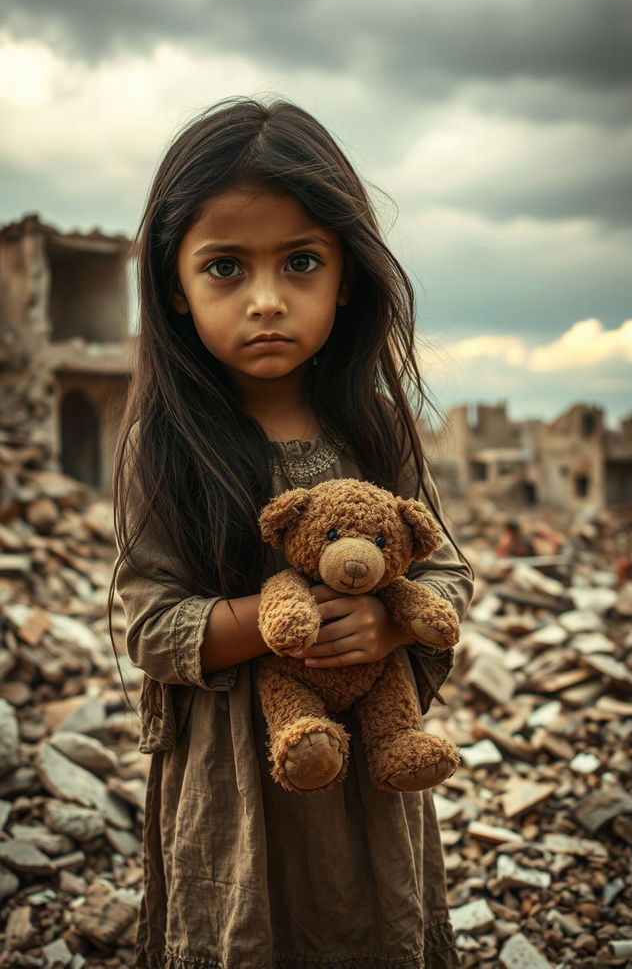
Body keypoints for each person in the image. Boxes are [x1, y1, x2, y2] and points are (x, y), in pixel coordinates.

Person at [109, 96, 474, 969]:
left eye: (300, 262)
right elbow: (151, 625)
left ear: (346, 277)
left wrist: (388, 622)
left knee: (368, 930)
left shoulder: (375, 429)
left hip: (367, 789)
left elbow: (448, 578)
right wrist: (278, 623)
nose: (266, 300)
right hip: (233, 788)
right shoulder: (165, 447)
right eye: (226, 268)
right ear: (175, 284)